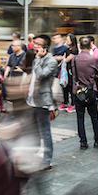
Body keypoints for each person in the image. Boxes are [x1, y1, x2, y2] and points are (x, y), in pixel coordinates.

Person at [30, 35, 60, 168]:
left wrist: (37, 59)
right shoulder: (37, 58)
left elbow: (41, 75)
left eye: (37, 43)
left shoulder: (51, 61)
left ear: (45, 47)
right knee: (33, 130)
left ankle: (47, 161)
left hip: (43, 101)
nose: (34, 45)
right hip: (32, 99)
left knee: (45, 131)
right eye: (34, 42)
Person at [72, 36, 98, 150]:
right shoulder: (93, 59)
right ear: (90, 45)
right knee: (94, 116)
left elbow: (74, 75)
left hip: (79, 90)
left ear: (80, 46)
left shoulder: (75, 59)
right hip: (91, 90)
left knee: (80, 117)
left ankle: (83, 142)